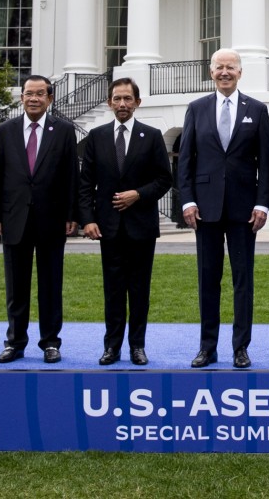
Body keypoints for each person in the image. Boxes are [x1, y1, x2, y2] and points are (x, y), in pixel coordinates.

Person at [178, 48, 269, 369]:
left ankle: (240, 348)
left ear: (240, 72)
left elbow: (266, 164)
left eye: (230, 67)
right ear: (211, 71)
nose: (225, 72)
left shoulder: (257, 110)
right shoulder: (196, 108)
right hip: (204, 209)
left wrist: (263, 203)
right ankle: (208, 347)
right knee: (208, 279)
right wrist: (187, 200)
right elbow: (186, 160)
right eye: (219, 67)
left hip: (245, 210)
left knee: (242, 280)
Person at [79, 78, 172, 366]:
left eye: (127, 99)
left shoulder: (152, 135)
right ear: (109, 102)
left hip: (141, 226)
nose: (122, 104)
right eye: (117, 99)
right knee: (114, 289)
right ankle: (112, 347)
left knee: (140, 289)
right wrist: (88, 220)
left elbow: (165, 179)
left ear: (137, 102)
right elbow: (85, 183)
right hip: (108, 227)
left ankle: (137, 347)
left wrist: (138, 195)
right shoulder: (96, 136)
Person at [0, 75, 78, 364]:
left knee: (51, 285)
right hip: (14, 219)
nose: (34, 98)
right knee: (16, 286)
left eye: (40, 94)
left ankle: (50, 342)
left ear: (50, 99)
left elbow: (70, 177)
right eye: (29, 93)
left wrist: (70, 214)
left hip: (51, 219)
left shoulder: (63, 131)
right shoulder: (5, 131)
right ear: (21, 98)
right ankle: (15, 342)